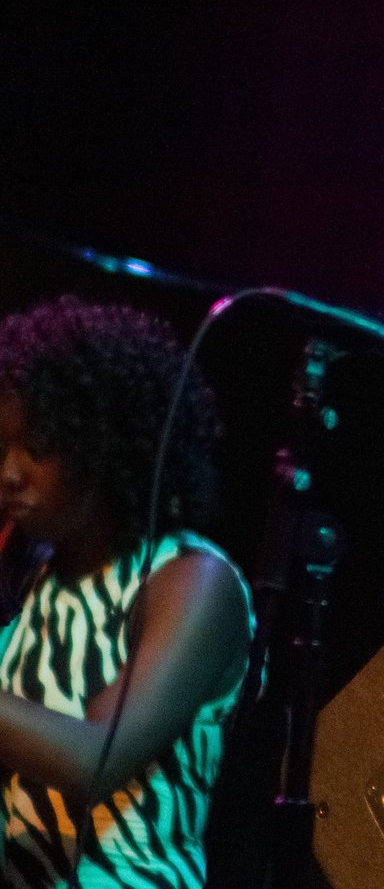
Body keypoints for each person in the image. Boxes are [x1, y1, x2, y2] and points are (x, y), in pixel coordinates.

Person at [0, 296, 252, 889]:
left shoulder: (193, 581)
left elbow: (94, 759)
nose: (9, 473)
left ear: (102, 443)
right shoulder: (38, 580)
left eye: (36, 445)